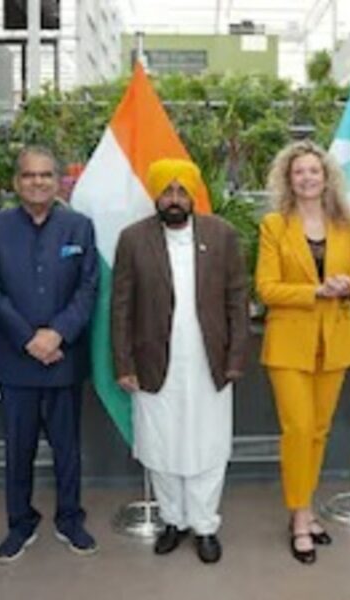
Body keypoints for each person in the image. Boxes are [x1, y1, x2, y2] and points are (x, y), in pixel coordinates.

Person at [111, 158, 249, 564]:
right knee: (160, 443)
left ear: (193, 195)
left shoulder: (221, 234)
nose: (174, 199)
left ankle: (205, 525)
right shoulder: (133, 239)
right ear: (155, 195)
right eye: (167, 191)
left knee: (209, 444)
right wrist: (123, 363)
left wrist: (236, 357)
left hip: (210, 360)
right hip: (153, 361)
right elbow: (121, 307)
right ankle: (173, 520)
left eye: (182, 191)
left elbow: (238, 299)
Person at [0, 146, 99, 563]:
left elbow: (88, 288)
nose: (38, 182)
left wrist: (57, 334)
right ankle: (20, 523)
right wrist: (29, 338)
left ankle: (70, 519)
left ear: (59, 181)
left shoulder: (79, 227)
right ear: (17, 182)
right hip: (17, 359)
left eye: (46, 175)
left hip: (64, 358)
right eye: (29, 175)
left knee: (68, 449)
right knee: (19, 449)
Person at [255, 140, 350, 565]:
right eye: (298, 171)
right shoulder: (274, 225)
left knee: (318, 430)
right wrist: (315, 291)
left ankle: (305, 506)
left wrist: (347, 287)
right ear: (288, 178)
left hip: (334, 342)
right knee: (298, 429)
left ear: (326, 177)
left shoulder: (345, 224)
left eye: (313, 171)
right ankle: (300, 517)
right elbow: (266, 289)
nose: (307, 178)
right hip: (289, 345)